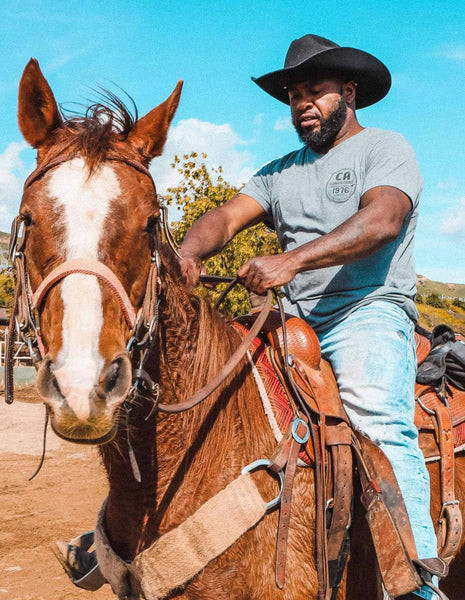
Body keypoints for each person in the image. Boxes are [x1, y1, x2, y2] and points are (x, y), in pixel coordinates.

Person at [179, 34, 446, 600]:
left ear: (349, 92)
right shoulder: (278, 173)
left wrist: (291, 260)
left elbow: (383, 221)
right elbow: (225, 218)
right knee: (213, 399)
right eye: (294, 94)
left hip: (366, 312)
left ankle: (417, 580)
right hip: (292, 324)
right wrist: (189, 252)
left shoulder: (384, 148)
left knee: (379, 421)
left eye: (315, 91)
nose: (302, 103)